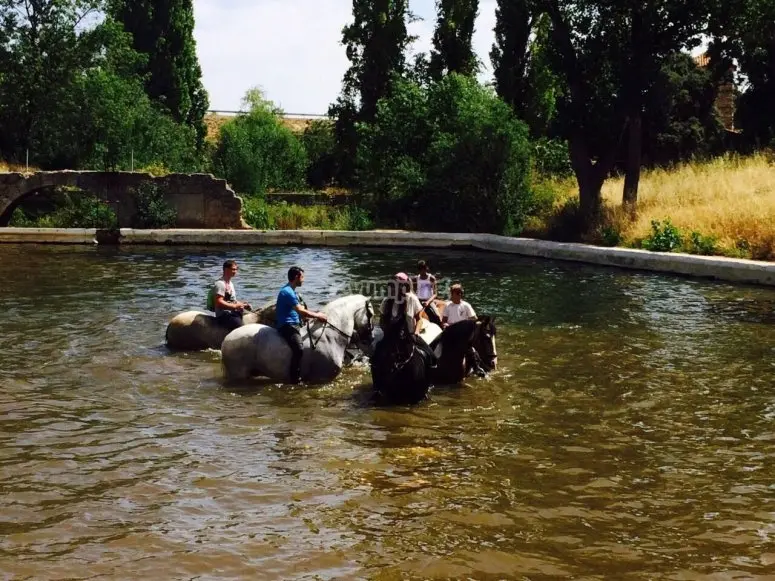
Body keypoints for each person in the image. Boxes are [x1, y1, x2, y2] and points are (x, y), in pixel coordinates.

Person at [276, 266, 328, 384]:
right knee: (299, 349)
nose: (303, 280)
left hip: (295, 323)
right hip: (287, 326)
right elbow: (301, 311)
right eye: (302, 277)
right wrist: (317, 315)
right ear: (296, 277)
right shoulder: (287, 292)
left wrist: (311, 316)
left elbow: (299, 312)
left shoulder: (293, 291)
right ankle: (294, 379)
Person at [210, 259, 251, 330]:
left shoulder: (230, 284)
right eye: (233, 269)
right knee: (242, 329)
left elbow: (232, 300)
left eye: (236, 269)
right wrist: (235, 306)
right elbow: (218, 302)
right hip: (223, 316)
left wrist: (242, 305)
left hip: (231, 313)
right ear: (226, 269)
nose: (235, 271)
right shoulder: (220, 284)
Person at [413, 260, 442, 326]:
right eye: (420, 270)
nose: (422, 272)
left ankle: (442, 326)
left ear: (426, 268)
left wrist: (428, 302)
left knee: (437, 315)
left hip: (429, 300)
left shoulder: (431, 278)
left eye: (423, 269)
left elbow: (435, 293)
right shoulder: (416, 279)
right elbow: (414, 292)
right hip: (418, 300)